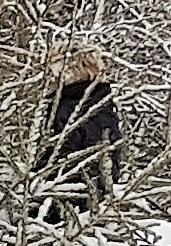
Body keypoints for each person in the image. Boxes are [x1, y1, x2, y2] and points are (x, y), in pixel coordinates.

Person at [37, 48, 121, 212]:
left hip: (67, 204)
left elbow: (73, 157)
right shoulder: (99, 104)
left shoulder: (76, 107)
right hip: (75, 200)